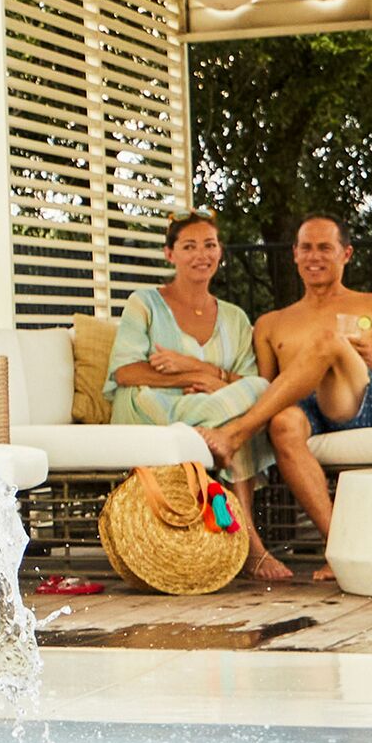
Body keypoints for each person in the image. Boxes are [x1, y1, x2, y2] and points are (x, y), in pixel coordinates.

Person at [201, 215, 372, 578]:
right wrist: (212, 379)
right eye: (306, 247)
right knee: (283, 422)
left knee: (326, 340)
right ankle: (340, 549)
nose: (314, 256)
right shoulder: (272, 323)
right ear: (294, 254)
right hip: (307, 412)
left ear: (346, 254)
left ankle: (235, 434)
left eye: (324, 248)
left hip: (361, 402)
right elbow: (267, 390)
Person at [104, 209, 297, 586]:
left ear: (220, 251)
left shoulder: (235, 317)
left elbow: (248, 382)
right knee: (241, 416)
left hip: (209, 409)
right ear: (169, 254)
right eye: (189, 246)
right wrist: (197, 375)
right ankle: (251, 548)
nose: (201, 255)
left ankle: (243, 537)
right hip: (149, 406)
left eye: (209, 245)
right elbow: (125, 372)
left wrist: (200, 369)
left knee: (256, 394)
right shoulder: (144, 303)